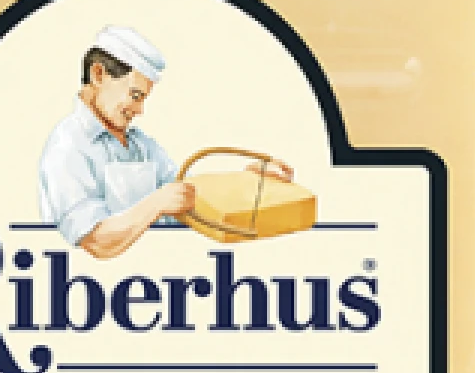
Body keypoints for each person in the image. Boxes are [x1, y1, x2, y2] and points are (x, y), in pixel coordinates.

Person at [38, 25, 291, 259]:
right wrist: (157, 203)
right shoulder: (67, 146)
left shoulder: (141, 145)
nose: (140, 110)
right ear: (98, 74)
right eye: (135, 96)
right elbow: (95, 242)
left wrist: (246, 182)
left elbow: (189, 198)